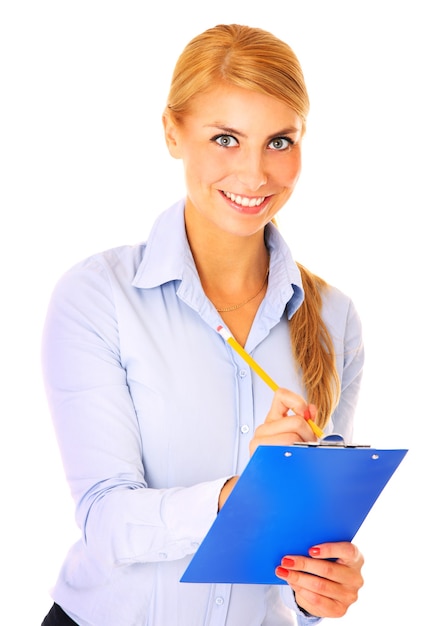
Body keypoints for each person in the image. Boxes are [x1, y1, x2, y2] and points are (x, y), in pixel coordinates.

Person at [41, 23, 365, 626]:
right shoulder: (98, 297)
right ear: (172, 132)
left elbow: (305, 544)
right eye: (225, 138)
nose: (254, 174)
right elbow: (106, 522)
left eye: (279, 141)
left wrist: (317, 590)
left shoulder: (333, 319)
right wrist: (237, 496)